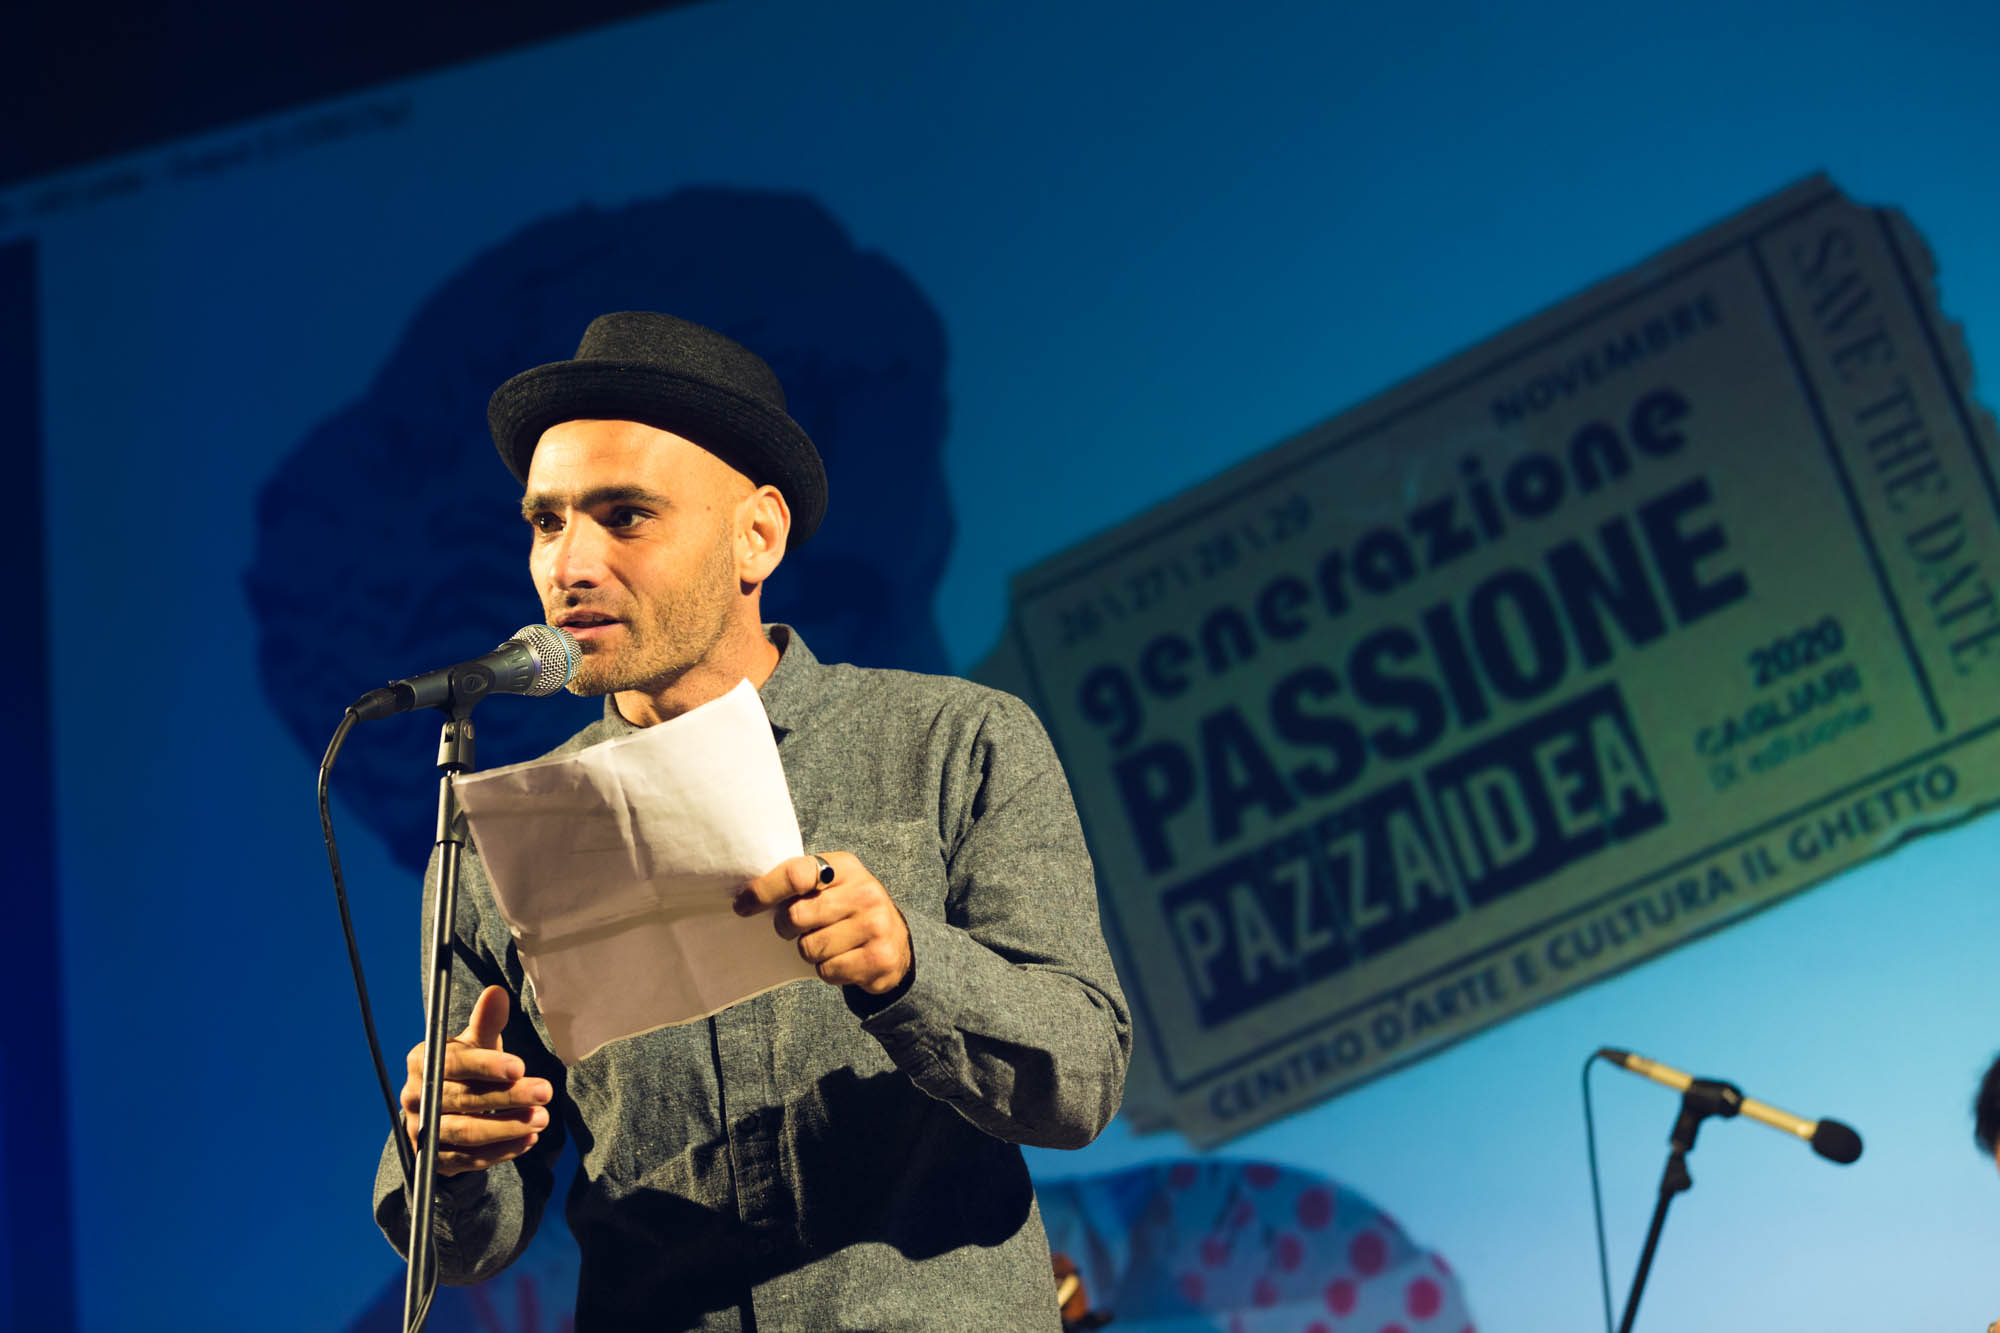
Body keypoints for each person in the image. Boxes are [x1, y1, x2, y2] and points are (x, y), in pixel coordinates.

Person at [371, 311, 1131, 1331]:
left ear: (756, 535)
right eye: (546, 522)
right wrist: (451, 1154)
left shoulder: (955, 741)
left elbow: (1080, 1077)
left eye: (624, 516)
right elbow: (467, 1246)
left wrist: (911, 966)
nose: (568, 565)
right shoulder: (494, 845)